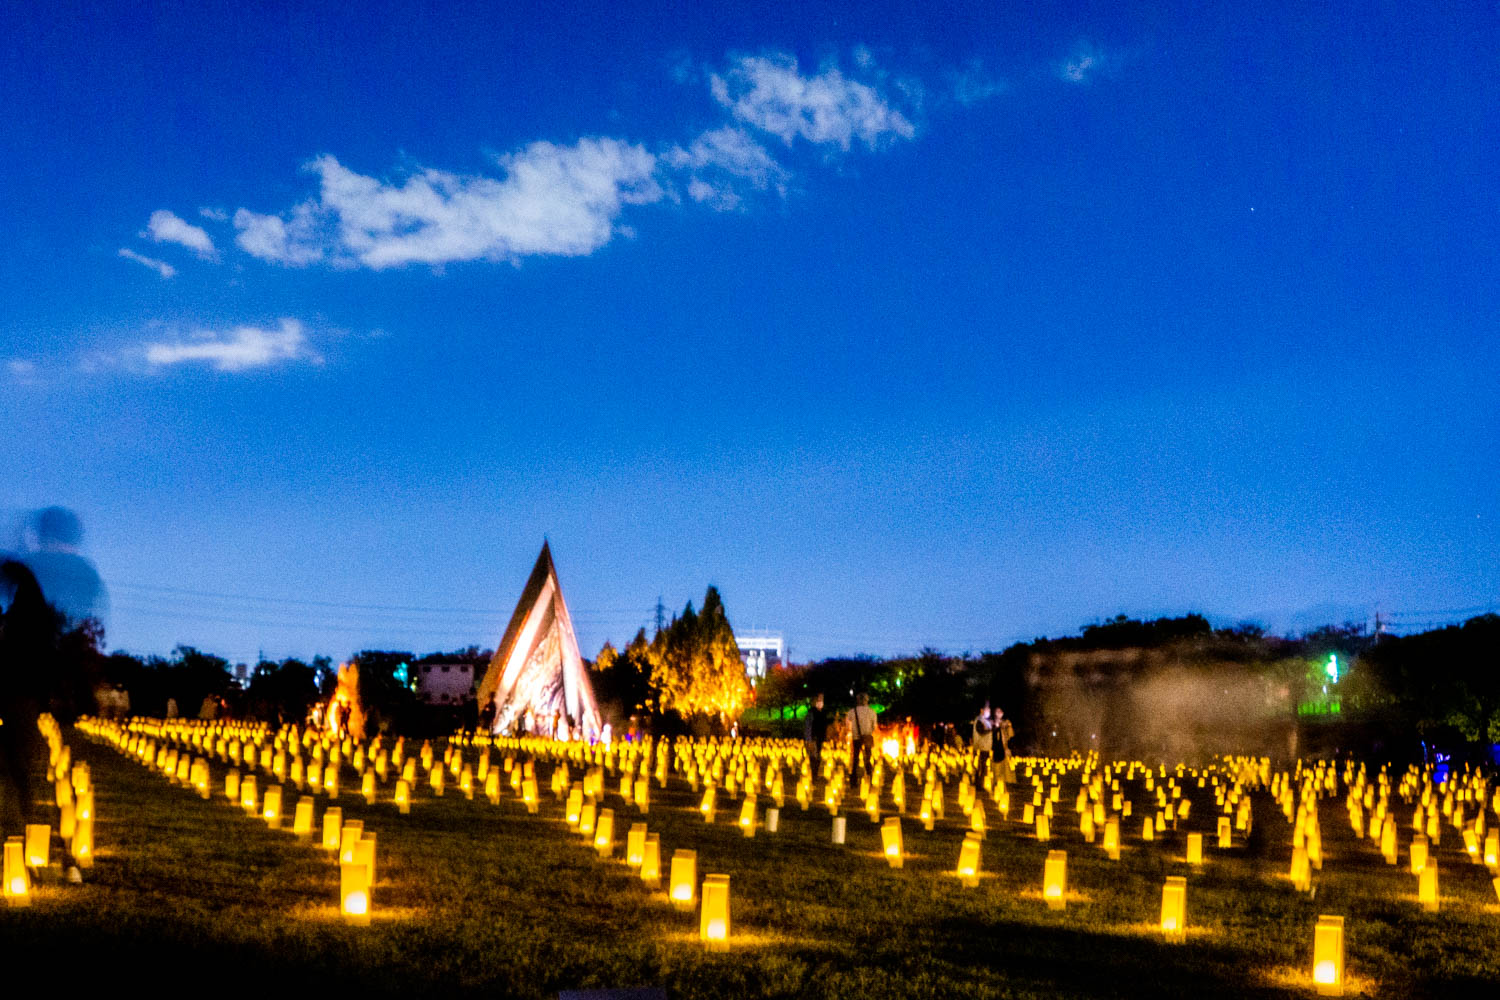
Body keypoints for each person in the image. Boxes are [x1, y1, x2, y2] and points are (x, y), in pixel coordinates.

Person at [846, 692, 877, 775]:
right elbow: (874, 727)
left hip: (856, 737)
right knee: (868, 757)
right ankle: (869, 775)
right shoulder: (872, 712)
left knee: (855, 757)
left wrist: (853, 731)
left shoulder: (852, 711)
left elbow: (847, 726)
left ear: (857, 700)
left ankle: (854, 774)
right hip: (867, 737)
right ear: (867, 700)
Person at [803, 692, 829, 773]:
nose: (821, 702)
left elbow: (824, 726)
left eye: (822, 700)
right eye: (819, 700)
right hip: (813, 739)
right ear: (815, 701)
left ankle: (815, 773)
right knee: (813, 757)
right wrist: (808, 740)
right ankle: (813, 773)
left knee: (818, 757)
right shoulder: (811, 713)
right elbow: (807, 727)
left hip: (820, 739)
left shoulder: (823, 713)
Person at [971, 705, 994, 770]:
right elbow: (981, 731)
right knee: (981, 766)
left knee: (982, 766)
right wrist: (990, 729)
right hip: (982, 747)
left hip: (984, 746)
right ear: (981, 710)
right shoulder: (980, 719)